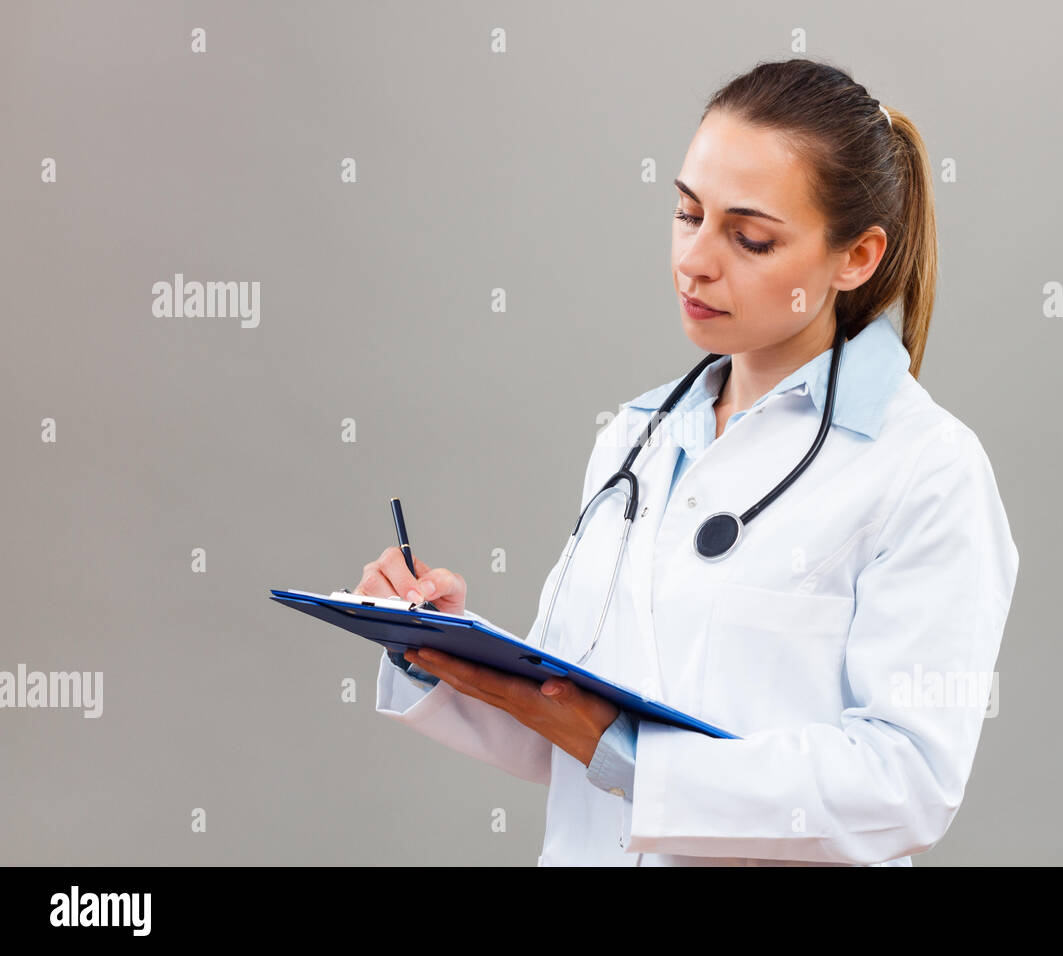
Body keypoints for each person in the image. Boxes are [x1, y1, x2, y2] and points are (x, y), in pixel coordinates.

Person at [358, 57, 1019, 866]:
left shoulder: (926, 468)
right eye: (685, 213)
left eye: (749, 237)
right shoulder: (636, 437)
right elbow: (564, 730)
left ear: (857, 258)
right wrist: (438, 646)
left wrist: (634, 758)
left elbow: (906, 784)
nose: (695, 260)